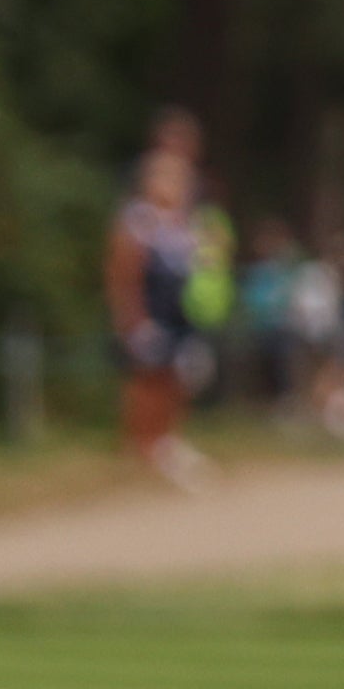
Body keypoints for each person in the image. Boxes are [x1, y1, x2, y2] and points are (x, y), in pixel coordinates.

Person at [107, 118, 221, 490]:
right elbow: (124, 275)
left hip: (181, 315)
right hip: (149, 315)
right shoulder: (137, 221)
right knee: (147, 381)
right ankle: (139, 448)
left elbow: (202, 268)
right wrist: (133, 321)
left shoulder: (186, 223)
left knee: (177, 379)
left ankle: (166, 446)